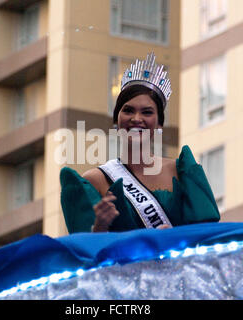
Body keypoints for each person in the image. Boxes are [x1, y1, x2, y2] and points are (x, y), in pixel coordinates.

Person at [60, 53, 220, 233]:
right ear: (116, 120)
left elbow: (208, 235)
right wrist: (100, 226)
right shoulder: (94, 180)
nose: (137, 119)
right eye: (128, 110)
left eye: (147, 112)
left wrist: (172, 238)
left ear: (159, 123)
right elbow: (87, 253)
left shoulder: (182, 171)